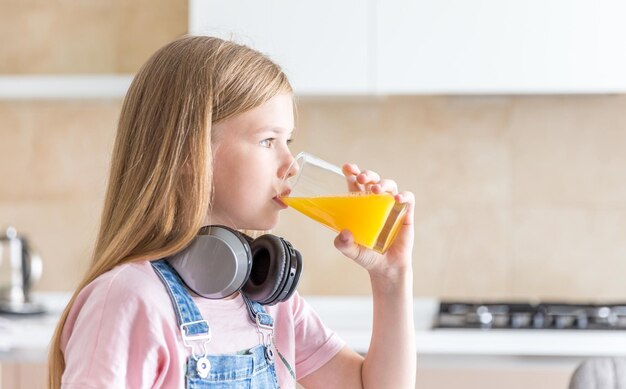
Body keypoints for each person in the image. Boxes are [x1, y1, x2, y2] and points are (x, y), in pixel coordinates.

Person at [48, 35, 416, 389]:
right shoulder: (129, 300)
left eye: (288, 141)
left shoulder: (270, 304)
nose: (291, 165)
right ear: (190, 154)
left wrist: (391, 278)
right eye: (268, 140)